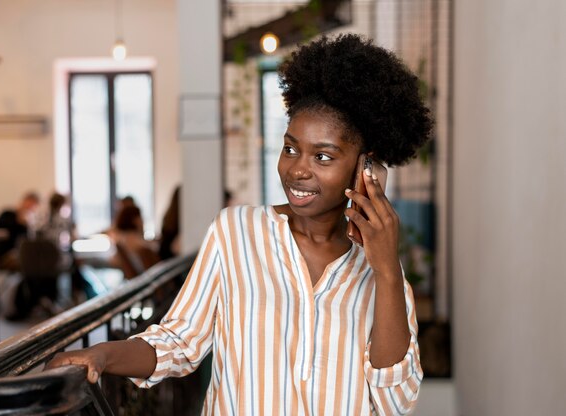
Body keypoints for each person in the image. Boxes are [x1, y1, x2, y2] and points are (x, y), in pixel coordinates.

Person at [47, 34, 432, 414]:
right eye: (291, 148)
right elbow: (178, 343)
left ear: (366, 167)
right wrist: (101, 354)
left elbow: (395, 400)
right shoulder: (236, 234)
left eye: (324, 157)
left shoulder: (382, 273)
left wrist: (384, 270)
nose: (298, 169)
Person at [0, 191, 40, 271]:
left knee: (39, 261)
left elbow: (26, 240)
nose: (31, 208)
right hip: (2, 256)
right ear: (25, 201)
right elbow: (0, 231)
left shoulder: (24, 223)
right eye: (31, 204)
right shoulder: (7, 215)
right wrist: (20, 221)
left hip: (16, 254)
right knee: (34, 263)